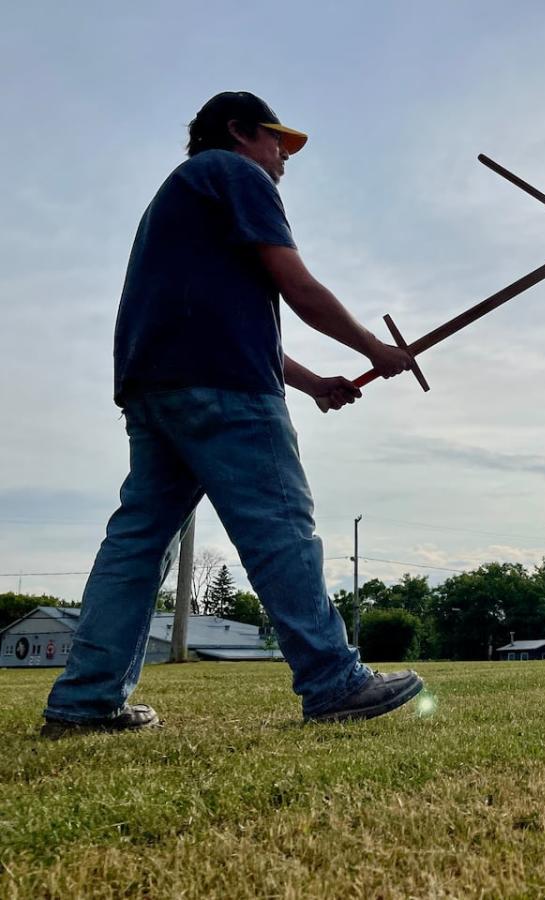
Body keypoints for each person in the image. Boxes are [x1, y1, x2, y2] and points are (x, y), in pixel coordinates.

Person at [42, 92, 424, 738]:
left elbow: (234, 321)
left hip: (157, 386)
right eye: (277, 142)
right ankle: (333, 680)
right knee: (280, 528)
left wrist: (311, 384)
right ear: (240, 131)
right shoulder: (234, 174)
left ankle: (85, 702)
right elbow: (296, 287)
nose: (282, 160)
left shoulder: (183, 195)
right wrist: (375, 350)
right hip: (223, 388)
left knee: (138, 545)